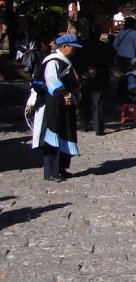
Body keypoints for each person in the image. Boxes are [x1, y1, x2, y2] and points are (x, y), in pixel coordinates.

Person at [32, 34, 82, 182]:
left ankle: (62, 167)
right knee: (53, 134)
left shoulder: (65, 61)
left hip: (63, 103)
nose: (73, 51)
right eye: (72, 48)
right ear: (64, 46)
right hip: (52, 101)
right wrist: (66, 93)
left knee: (65, 132)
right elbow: (51, 79)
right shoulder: (53, 61)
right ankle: (51, 171)